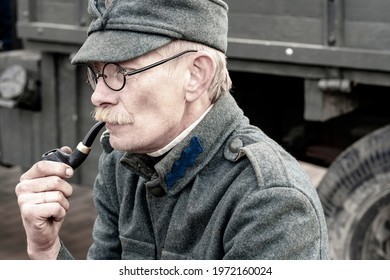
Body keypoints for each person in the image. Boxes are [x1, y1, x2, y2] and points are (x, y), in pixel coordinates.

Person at [15, 0, 329, 260]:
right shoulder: (121, 166)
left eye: (122, 71)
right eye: (98, 73)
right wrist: (47, 250)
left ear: (196, 75)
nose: (98, 95)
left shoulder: (269, 201)